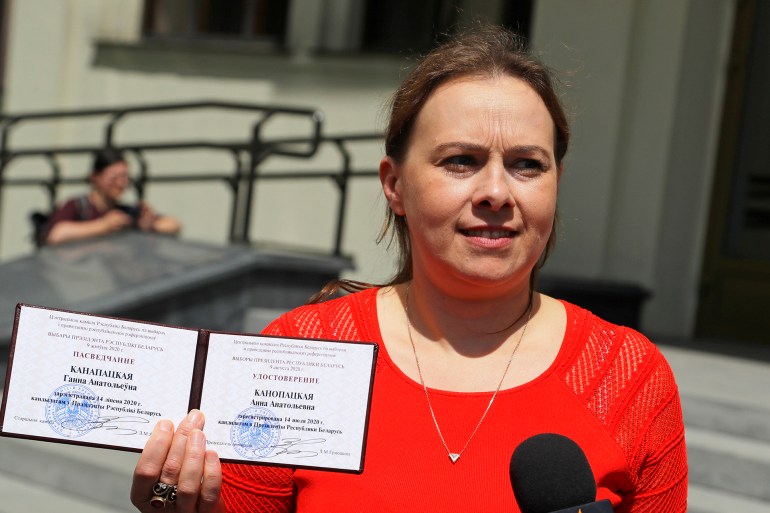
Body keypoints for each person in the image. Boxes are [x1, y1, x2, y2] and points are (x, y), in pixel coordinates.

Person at [130, 24, 687, 513]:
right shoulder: (303, 354)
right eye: (461, 161)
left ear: (556, 183)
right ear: (395, 185)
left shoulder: (630, 378)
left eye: (526, 165)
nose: (496, 192)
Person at [43, 148, 181, 245]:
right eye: (114, 178)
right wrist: (103, 227)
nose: (121, 183)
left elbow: (174, 225)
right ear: (95, 177)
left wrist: (150, 226)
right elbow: (56, 235)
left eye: (125, 177)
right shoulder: (78, 206)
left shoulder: (127, 212)